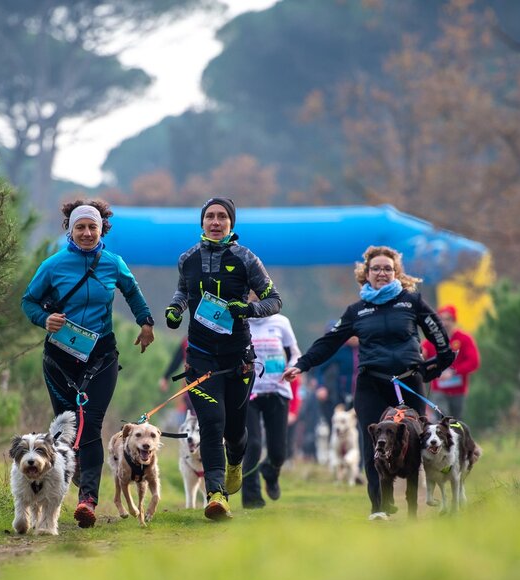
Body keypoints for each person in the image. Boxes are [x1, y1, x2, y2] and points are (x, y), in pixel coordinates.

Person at [283, 245, 454, 521]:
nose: (382, 273)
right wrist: (301, 365)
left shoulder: (412, 302)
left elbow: (439, 335)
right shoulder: (357, 311)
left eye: (387, 268)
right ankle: (379, 506)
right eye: (376, 268)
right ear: (366, 273)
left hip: (408, 382)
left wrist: (435, 366)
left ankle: (421, 502)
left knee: (416, 440)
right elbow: (329, 342)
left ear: (396, 271)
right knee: (373, 444)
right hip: (371, 384)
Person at [21, 199, 155, 529]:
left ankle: (87, 501)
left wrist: (146, 323)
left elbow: (133, 291)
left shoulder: (112, 262)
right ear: (70, 229)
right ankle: (74, 476)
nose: (86, 232)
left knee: (91, 425)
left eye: (92, 227)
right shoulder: (53, 265)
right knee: (67, 427)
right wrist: (44, 318)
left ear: (101, 229)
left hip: (101, 356)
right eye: (79, 227)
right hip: (60, 358)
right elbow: (28, 301)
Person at [164, 197, 282, 520]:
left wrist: (250, 308)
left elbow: (274, 300)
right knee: (211, 424)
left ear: (231, 224)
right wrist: (175, 310)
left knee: (234, 431)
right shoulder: (187, 259)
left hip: (238, 360)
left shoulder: (246, 259)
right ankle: (216, 495)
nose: (215, 222)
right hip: (200, 359)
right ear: (202, 222)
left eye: (222, 217)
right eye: (210, 217)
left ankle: (235, 462)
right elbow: (182, 292)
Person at [241, 309, 301, 509]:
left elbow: (294, 353)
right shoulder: (240, 321)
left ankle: (271, 470)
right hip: (249, 392)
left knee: (278, 451)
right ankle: (251, 498)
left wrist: (292, 367)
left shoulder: (281, 322)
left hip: (277, 390)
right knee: (253, 443)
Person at [421, 304, 480, 420]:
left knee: (456, 420)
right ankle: (443, 436)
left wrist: (454, 372)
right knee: (443, 417)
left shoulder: (464, 339)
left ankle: (455, 437)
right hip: (439, 390)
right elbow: (421, 354)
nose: (445, 323)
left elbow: (474, 362)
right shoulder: (432, 340)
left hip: (459, 391)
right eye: (441, 319)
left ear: (454, 321)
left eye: (448, 319)